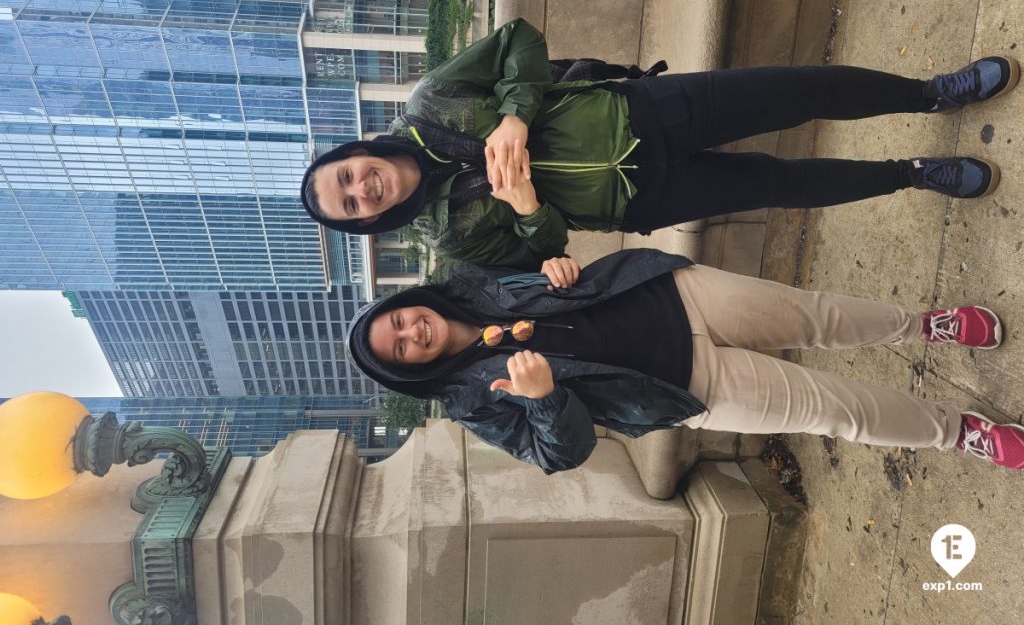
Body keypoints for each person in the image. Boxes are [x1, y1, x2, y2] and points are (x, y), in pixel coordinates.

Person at [301, 19, 1019, 270]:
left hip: (648, 112)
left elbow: (517, 40)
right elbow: (547, 254)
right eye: (352, 205)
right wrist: (524, 206)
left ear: (351, 154)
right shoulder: (450, 236)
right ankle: (914, 174)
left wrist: (515, 116)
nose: (363, 188)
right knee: (780, 185)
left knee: (798, 89)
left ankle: (932, 93)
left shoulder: (431, 105)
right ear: (367, 221)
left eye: (348, 176)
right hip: (644, 196)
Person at [347, 249, 1022, 474]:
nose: (411, 334)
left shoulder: (473, 280)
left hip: (668, 294)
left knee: (819, 316)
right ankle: (959, 432)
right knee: (832, 412)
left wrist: (553, 260)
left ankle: (925, 325)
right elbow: (561, 455)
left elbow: (542, 238)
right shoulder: (475, 402)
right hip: (685, 386)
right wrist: (546, 397)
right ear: (410, 369)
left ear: (406, 303)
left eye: (398, 321)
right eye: (400, 350)